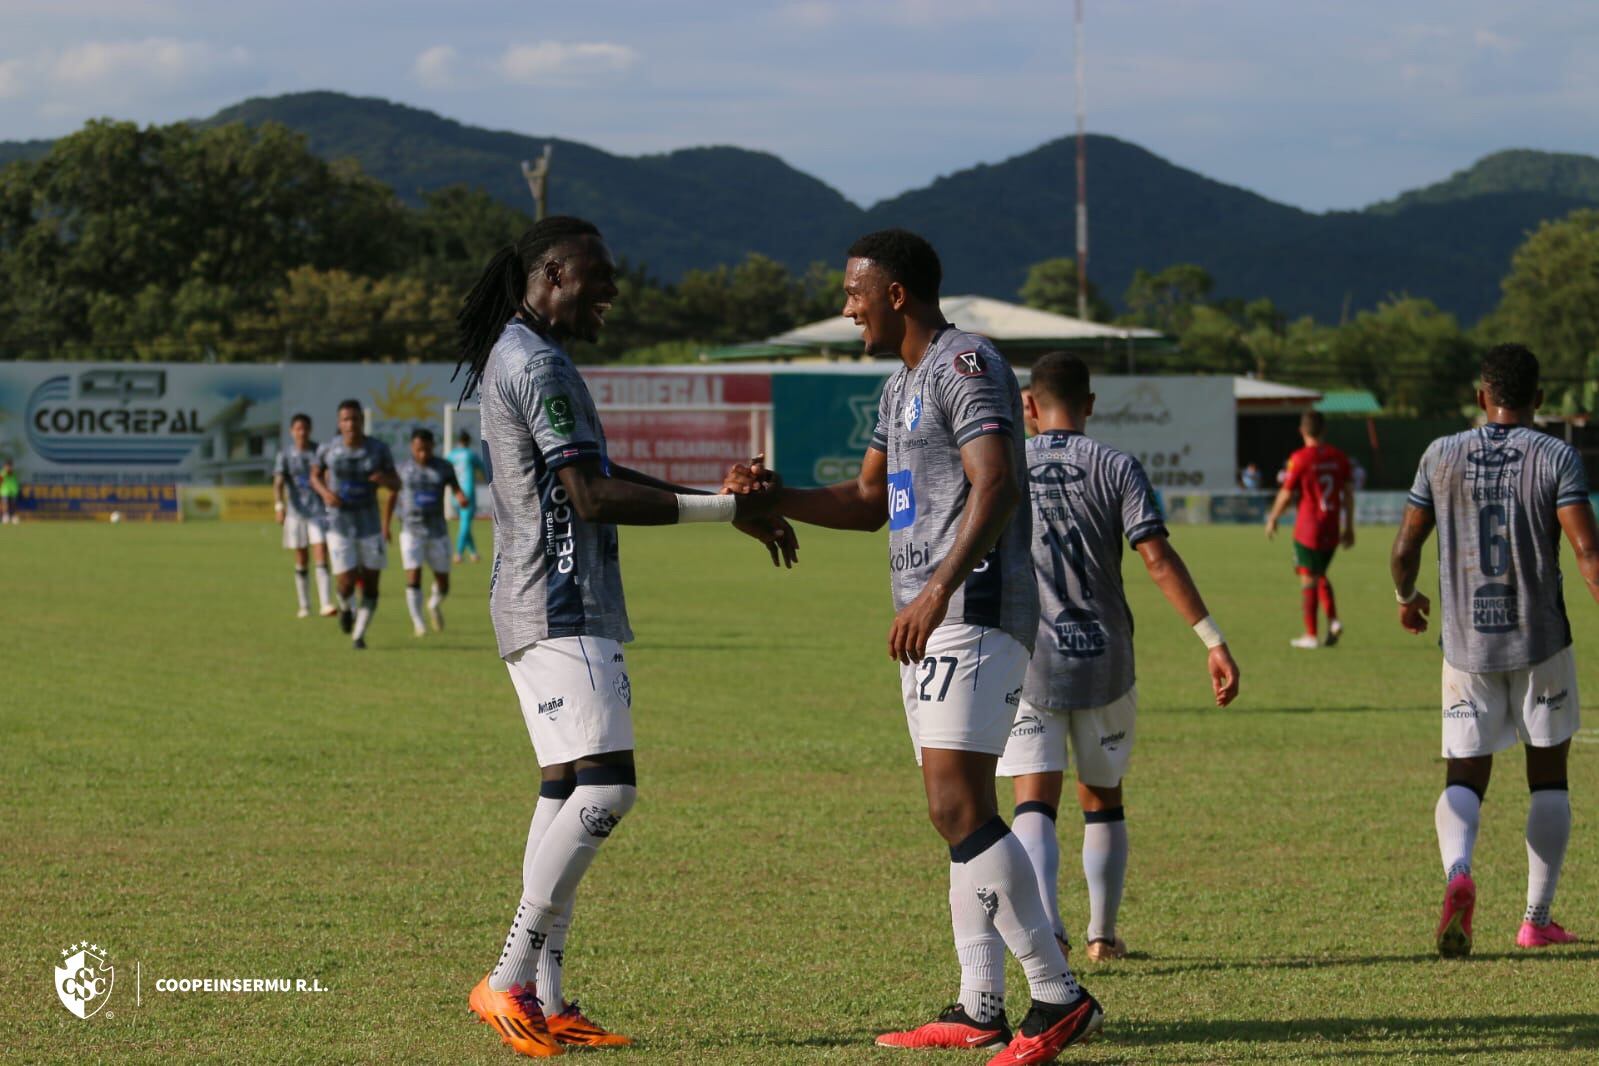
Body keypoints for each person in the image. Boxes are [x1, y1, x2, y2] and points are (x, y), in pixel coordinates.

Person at [724, 229, 1102, 1064]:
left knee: (954, 807)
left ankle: (1059, 997)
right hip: (932, 618)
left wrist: (935, 589)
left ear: (894, 292)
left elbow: (996, 481)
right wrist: (771, 496)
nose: (845, 306)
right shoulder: (898, 387)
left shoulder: (966, 365)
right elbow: (866, 501)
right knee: (959, 812)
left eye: (853, 291)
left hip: (969, 608)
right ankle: (978, 1006)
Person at [453, 216, 797, 1058]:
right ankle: (505, 980)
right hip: (560, 602)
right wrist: (731, 508)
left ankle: (545, 996)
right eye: (601, 275)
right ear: (556, 270)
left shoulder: (525, 352)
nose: (613, 290)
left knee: (566, 789)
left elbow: (599, 479)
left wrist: (724, 513)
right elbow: (591, 499)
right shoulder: (534, 362)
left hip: (540, 601)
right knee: (608, 793)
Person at [997, 353, 1240, 966]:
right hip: (1104, 658)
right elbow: (1156, 558)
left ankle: (1049, 929)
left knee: (1034, 801)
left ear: (1028, 404)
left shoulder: (1004, 466)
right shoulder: (1116, 466)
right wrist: (1211, 638)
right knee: (1102, 797)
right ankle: (1102, 936)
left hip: (1027, 658)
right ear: (1090, 404)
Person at [1391, 343, 1597, 956]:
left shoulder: (1440, 454)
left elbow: (1405, 547)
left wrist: (1406, 594)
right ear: (1539, 399)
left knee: (1465, 775)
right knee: (1549, 777)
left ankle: (1459, 873)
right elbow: (1587, 551)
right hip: (1541, 641)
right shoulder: (1556, 455)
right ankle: (1536, 918)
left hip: (1465, 647)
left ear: (1483, 396)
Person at [309, 401, 399, 650]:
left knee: (371, 584)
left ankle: (359, 634)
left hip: (370, 526)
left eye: (355, 419)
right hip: (340, 526)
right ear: (339, 423)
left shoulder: (378, 449)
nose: (351, 424)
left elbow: (396, 484)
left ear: (362, 421)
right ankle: (346, 607)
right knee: (346, 582)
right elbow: (314, 476)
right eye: (346, 419)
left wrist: (384, 480)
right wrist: (325, 493)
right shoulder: (329, 450)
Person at [1265, 411, 1354, 649]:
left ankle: (1311, 634)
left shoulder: (1300, 458)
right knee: (1320, 573)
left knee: (1308, 578)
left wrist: (1273, 516)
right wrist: (1350, 526)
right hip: (1332, 524)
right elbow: (1348, 493)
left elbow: (1286, 493)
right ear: (1324, 430)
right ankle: (1333, 620)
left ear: (1302, 431)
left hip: (1308, 528)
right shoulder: (1339, 457)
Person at [384, 428, 469, 637]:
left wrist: (460, 496)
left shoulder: (444, 467)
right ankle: (418, 623)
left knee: (443, 582)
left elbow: (455, 486)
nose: (422, 453)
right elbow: (392, 497)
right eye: (418, 449)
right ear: (412, 447)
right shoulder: (402, 469)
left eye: (426, 449)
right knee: (414, 576)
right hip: (411, 531)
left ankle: (433, 604)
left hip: (437, 531)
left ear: (433, 447)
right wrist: (385, 525)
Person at [273, 414, 337, 619]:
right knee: (301, 558)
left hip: (317, 512)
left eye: (305, 428)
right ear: (292, 431)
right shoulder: (285, 455)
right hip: (296, 513)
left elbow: (328, 475)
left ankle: (326, 603)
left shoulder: (318, 452)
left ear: (310, 430)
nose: (302, 432)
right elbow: (278, 482)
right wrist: (279, 505)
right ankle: (304, 605)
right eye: (298, 429)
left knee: (321, 553)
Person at [448, 430, 489, 562]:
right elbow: (484, 469)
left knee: (464, 523)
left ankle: (473, 553)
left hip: (455, 492)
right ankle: (458, 553)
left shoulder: (451, 455)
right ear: (469, 441)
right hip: (468, 493)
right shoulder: (471, 455)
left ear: (458, 441)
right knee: (465, 524)